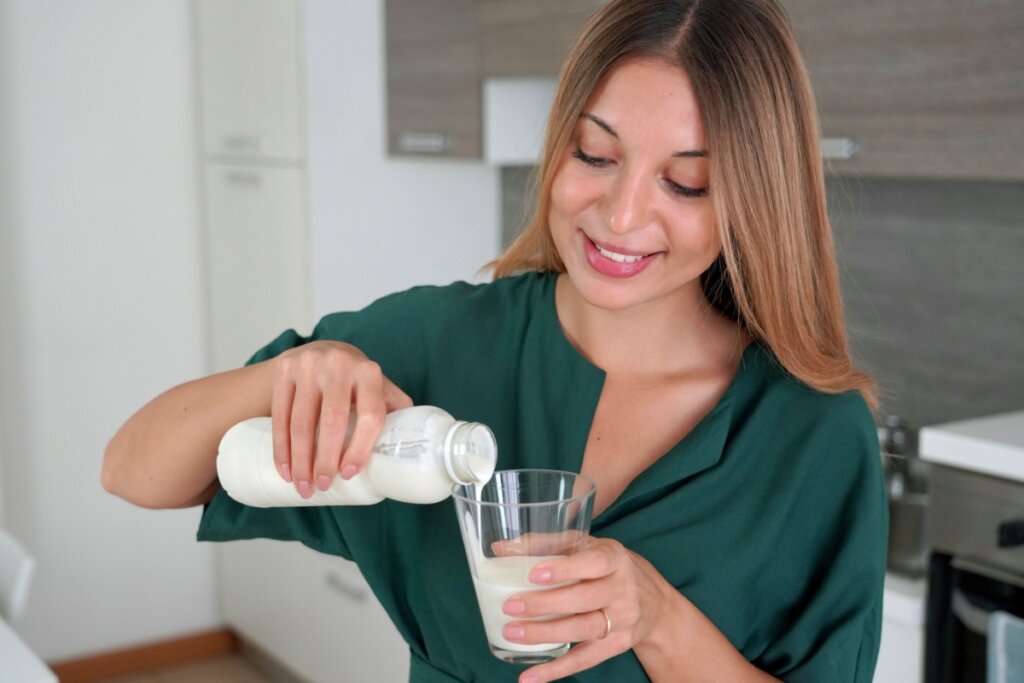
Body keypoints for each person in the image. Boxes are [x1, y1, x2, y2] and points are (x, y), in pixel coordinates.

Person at [102, 0, 887, 681]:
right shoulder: (435, 345)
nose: (619, 216)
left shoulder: (812, 433)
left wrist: (659, 619)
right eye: (596, 154)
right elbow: (132, 467)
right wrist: (291, 374)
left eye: (685, 182)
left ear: (750, 197)